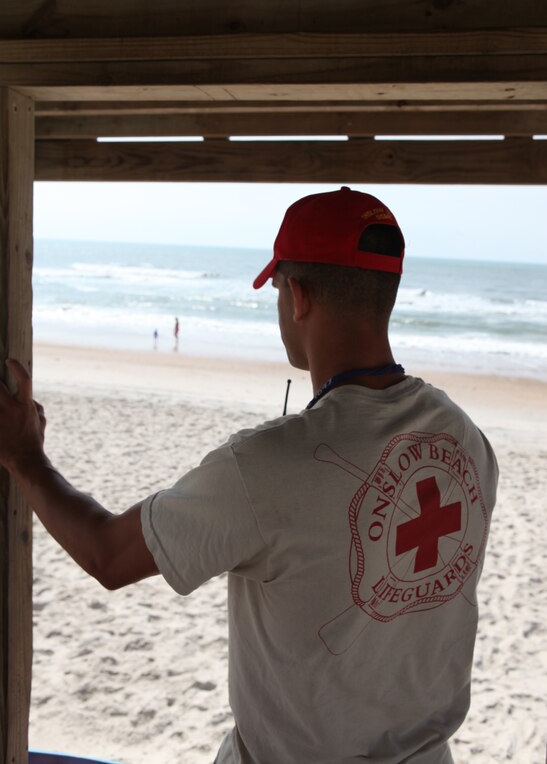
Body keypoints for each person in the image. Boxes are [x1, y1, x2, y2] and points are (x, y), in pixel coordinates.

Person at [0, 187, 497, 764]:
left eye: (278, 289)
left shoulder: (267, 465)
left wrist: (24, 456)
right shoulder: (465, 439)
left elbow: (107, 555)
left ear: (299, 296)